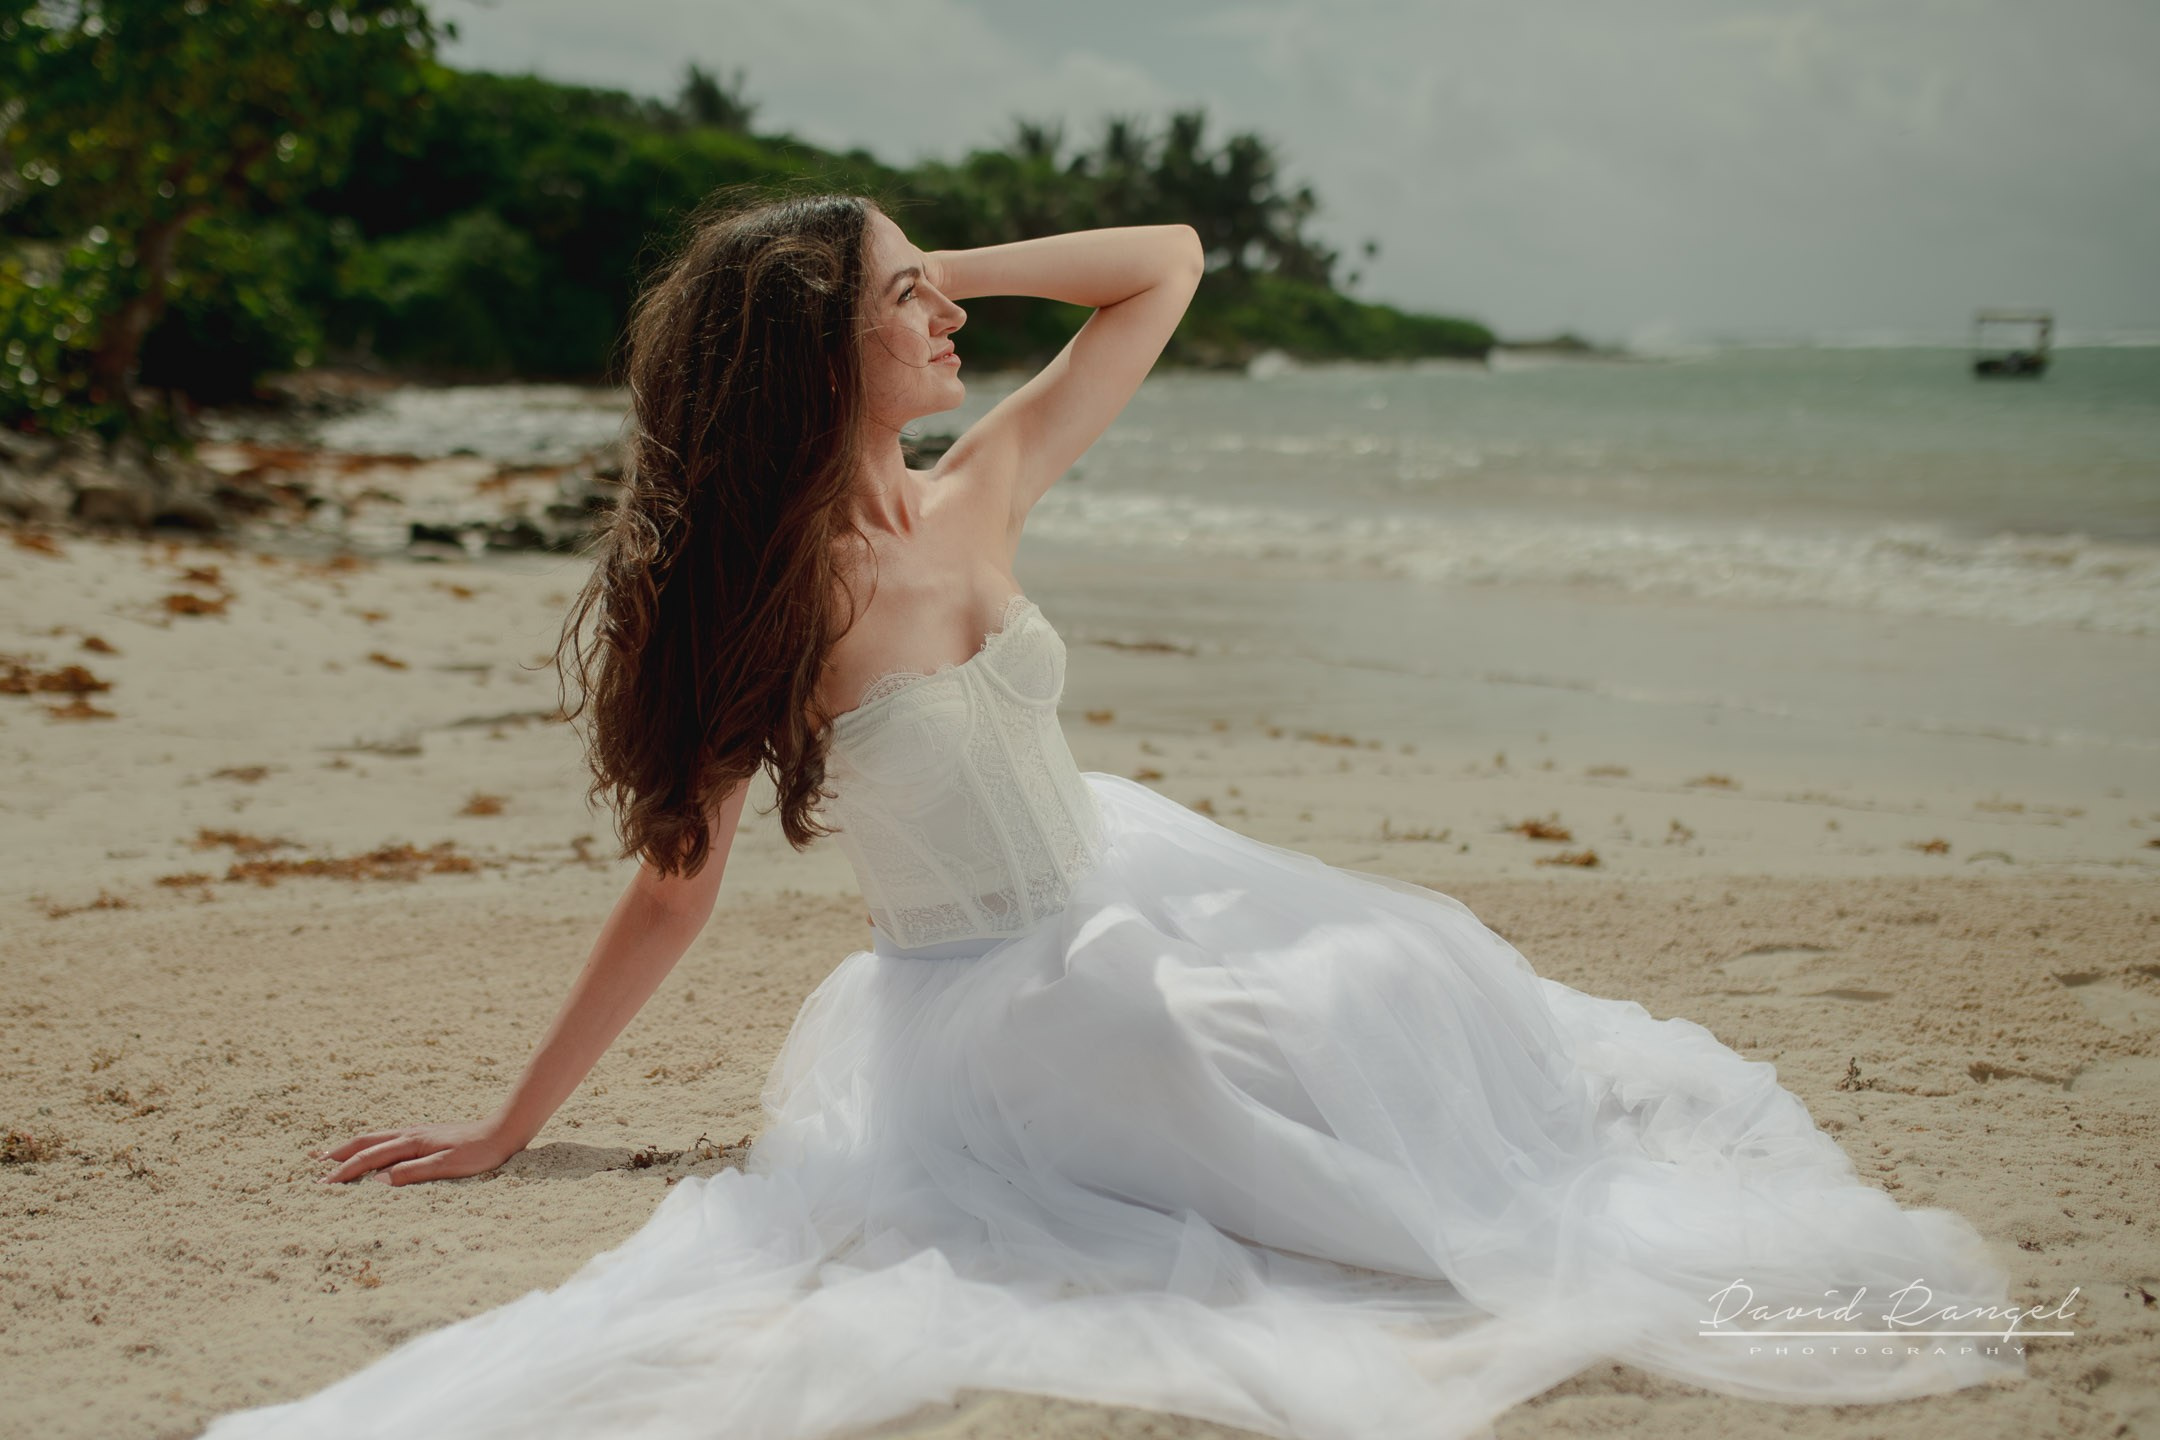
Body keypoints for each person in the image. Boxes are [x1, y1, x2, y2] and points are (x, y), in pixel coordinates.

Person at [203, 191, 2026, 1440]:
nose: (948, 316)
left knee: (1408, 994)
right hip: (1000, 999)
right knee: (1282, 1145)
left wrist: (918, 257)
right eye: (903, 299)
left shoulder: (985, 475)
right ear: (818, 350)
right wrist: (510, 1123)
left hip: (1135, 874)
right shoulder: (761, 601)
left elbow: (1166, 264)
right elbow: (673, 897)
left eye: (939, 288)